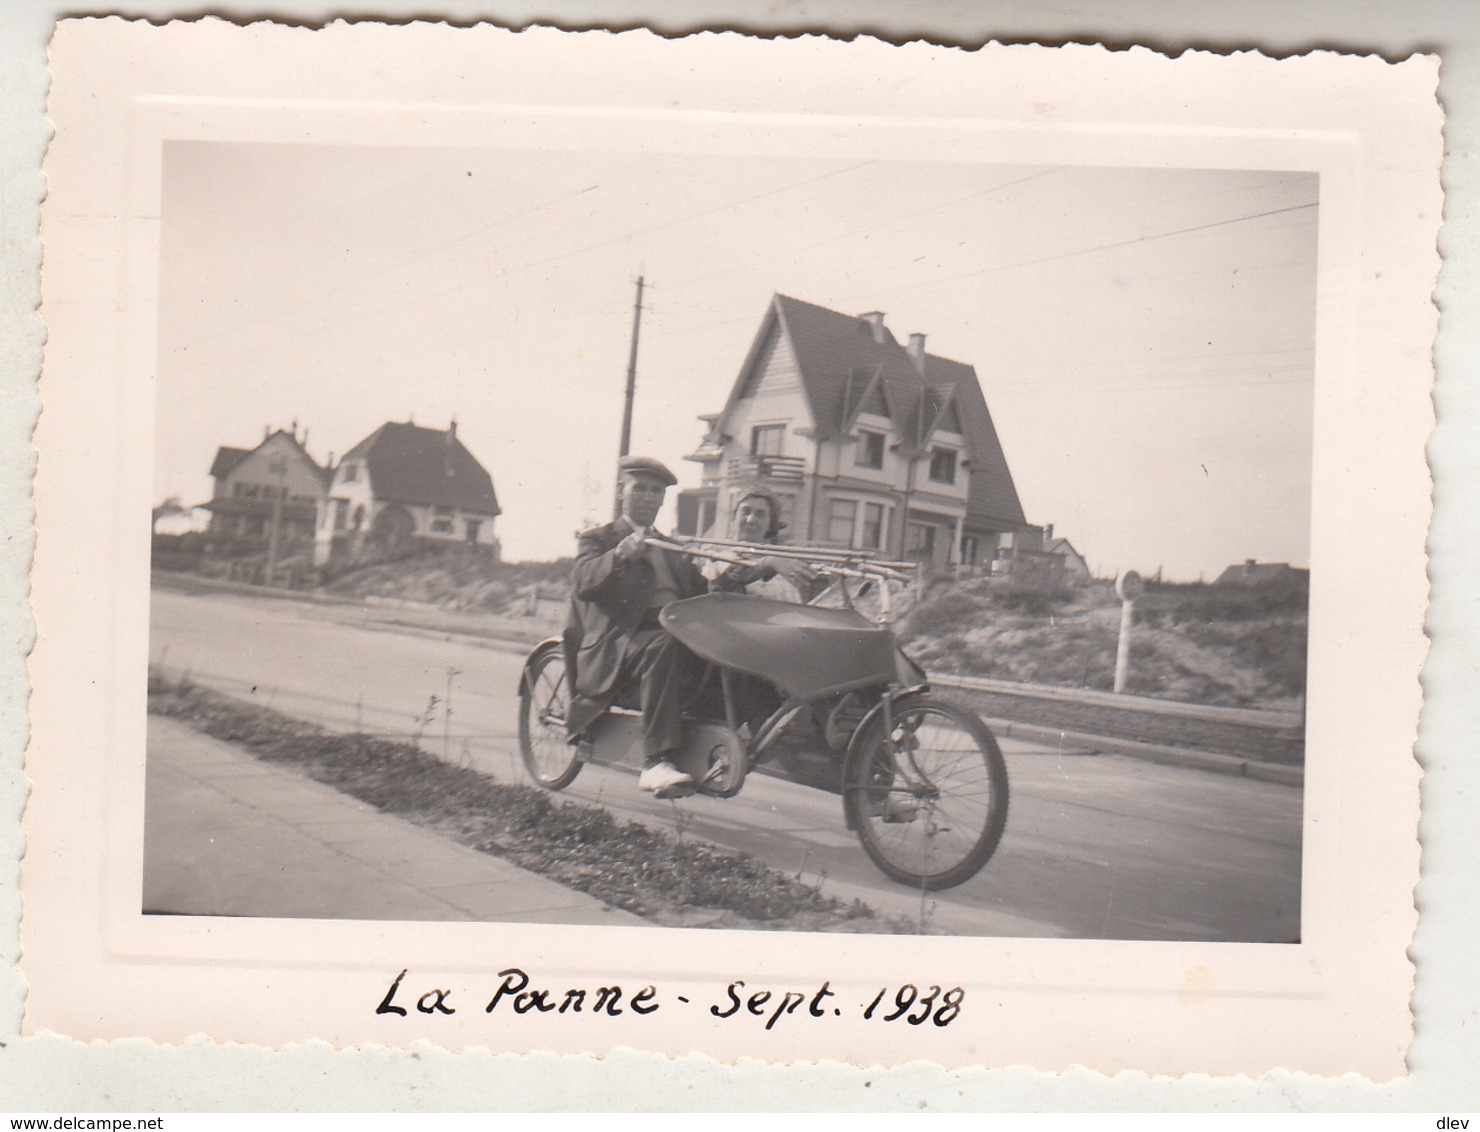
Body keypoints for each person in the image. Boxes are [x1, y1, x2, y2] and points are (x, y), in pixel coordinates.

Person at [567, 456, 708, 798]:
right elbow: (583, 581)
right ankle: (656, 762)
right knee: (666, 645)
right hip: (621, 640)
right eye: (639, 488)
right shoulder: (598, 538)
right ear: (621, 493)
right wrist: (618, 555)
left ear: (663, 500)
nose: (647, 497)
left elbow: (702, 591)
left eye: (655, 491)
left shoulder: (674, 547)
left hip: (674, 631)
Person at [706, 485, 821, 602]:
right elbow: (725, 583)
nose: (750, 520)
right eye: (745, 511)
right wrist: (769, 563)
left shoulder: (783, 563)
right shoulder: (714, 552)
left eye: (760, 514)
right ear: (734, 516)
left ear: (770, 525)